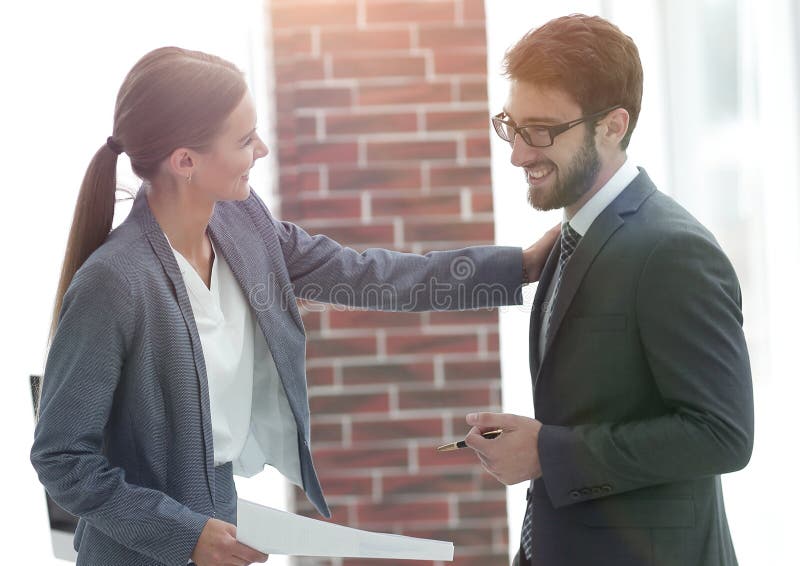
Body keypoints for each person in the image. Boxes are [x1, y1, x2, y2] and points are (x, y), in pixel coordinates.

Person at [29, 46, 557, 566]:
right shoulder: (114, 282)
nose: (261, 149)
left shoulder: (243, 224)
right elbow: (61, 459)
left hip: (221, 526)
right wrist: (184, 535)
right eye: (243, 139)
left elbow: (366, 275)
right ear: (185, 161)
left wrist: (517, 268)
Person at [463, 14, 754, 566]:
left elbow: (723, 435)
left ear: (613, 125)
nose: (518, 154)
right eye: (511, 126)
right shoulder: (569, 239)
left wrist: (547, 451)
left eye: (542, 131)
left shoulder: (672, 250)